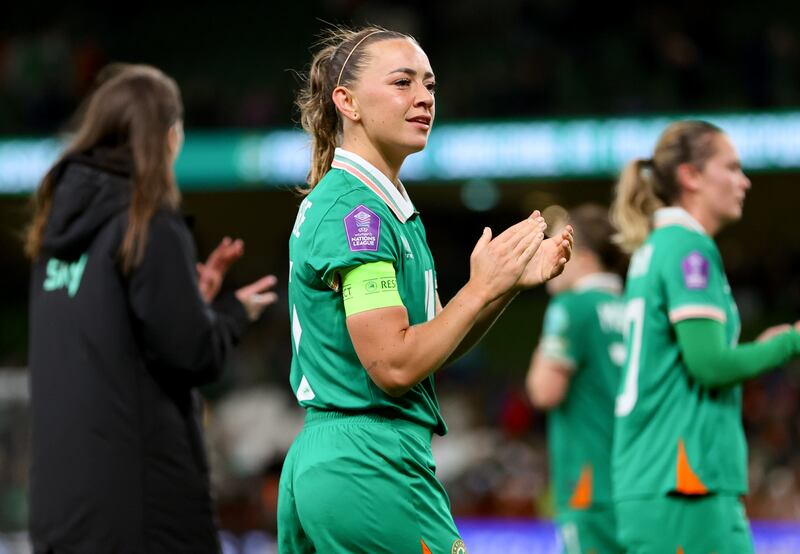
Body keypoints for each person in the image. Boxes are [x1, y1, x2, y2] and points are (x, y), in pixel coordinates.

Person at [279, 25, 573, 553]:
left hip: (341, 459)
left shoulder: (381, 205)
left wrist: (500, 287)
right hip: (369, 462)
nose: (424, 98)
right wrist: (479, 289)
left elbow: (431, 346)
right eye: (402, 82)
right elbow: (394, 365)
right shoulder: (358, 212)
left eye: (430, 85)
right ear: (347, 102)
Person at [25, 63, 278, 554]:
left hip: (60, 517)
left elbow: (120, 336)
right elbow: (193, 354)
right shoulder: (147, 223)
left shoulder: (52, 238)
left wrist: (187, 299)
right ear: (169, 135)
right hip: (139, 515)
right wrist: (233, 314)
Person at [610, 120, 800, 553]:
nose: (744, 181)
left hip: (660, 479)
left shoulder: (659, 245)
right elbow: (709, 365)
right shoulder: (688, 247)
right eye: (731, 168)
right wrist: (789, 341)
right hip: (683, 478)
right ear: (691, 176)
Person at [526, 204, 626, 554]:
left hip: (589, 485)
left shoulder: (571, 308)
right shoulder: (635, 307)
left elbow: (544, 392)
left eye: (557, 246)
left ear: (581, 258)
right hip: (637, 482)